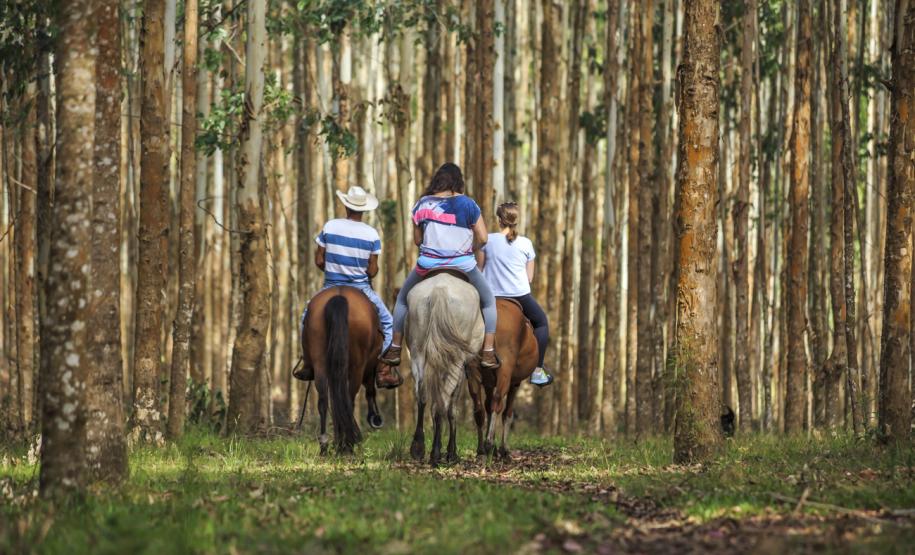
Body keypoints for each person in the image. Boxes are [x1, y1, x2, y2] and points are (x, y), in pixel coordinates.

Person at [378, 163, 501, 370]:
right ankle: (488, 352)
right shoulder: (469, 204)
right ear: (457, 181)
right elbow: (483, 237)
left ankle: (395, 347)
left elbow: (418, 241)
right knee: (489, 301)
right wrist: (471, 247)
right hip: (463, 265)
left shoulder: (422, 204)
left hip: (428, 264)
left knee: (402, 300)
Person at [297, 186, 402, 389]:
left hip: (330, 285)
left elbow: (319, 260)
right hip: (361, 288)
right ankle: (382, 369)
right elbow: (372, 271)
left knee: (306, 318)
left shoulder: (330, 226)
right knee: (389, 323)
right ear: (363, 210)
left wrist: (333, 269)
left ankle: (308, 362)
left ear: (346, 206)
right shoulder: (371, 234)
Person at [477, 202, 553, 387]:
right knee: (542, 323)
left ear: (498, 220)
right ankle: (537, 371)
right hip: (520, 296)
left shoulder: (487, 241)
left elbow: (479, 270)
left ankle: (463, 364)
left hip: (490, 297)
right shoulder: (526, 244)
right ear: (516, 221)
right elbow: (529, 278)